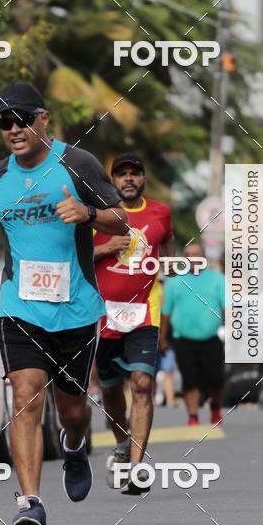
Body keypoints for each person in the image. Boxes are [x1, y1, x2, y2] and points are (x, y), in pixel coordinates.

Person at [0, 82, 128, 525]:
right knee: (24, 395)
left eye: (22, 118)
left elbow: (118, 217)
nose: (14, 129)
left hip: (76, 308)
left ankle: (75, 443)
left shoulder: (76, 163)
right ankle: (29, 502)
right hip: (20, 306)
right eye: (5, 122)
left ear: (44, 119)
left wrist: (86, 213)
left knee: (73, 409)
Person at [93, 154, 174, 494]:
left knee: (142, 384)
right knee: (111, 390)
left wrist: (166, 284)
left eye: (134, 173)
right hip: (102, 315)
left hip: (144, 311)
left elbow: (166, 251)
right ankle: (123, 442)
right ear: (112, 180)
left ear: (143, 178)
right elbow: (74, 255)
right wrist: (108, 246)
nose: (128, 179)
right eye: (121, 174)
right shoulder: (96, 216)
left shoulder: (161, 213)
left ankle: (137, 469)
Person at [159, 242, 226, 427]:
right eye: (188, 254)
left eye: (196, 254)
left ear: (203, 258)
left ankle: (215, 407)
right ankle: (193, 415)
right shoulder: (174, 281)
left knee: (216, 378)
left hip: (211, 338)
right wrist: (162, 338)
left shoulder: (217, 279)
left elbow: (228, 307)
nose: (191, 258)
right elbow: (166, 312)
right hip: (183, 339)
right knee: (190, 380)